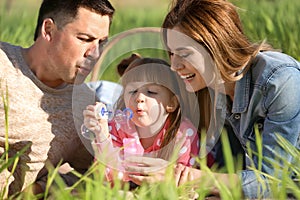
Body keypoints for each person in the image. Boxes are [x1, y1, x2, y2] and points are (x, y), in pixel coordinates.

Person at [124, 0, 300, 199]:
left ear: (217, 45)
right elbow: (230, 171)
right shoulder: (214, 90)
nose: (174, 66)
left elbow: (273, 182)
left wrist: (184, 177)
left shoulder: (280, 81)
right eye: (172, 54)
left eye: (184, 54)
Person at [0, 0, 115, 196]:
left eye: (101, 42)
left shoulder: (85, 106)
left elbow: (97, 177)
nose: (95, 53)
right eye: (85, 38)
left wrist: (43, 187)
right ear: (49, 30)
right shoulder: (4, 64)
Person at [82, 56, 214, 185]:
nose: (139, 97)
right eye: (132, 91)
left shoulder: (183, 133)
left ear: (172, 103)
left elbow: (181, 181)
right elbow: (106, 177)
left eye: (151, 92)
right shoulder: (117, 127)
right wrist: (102, 135)